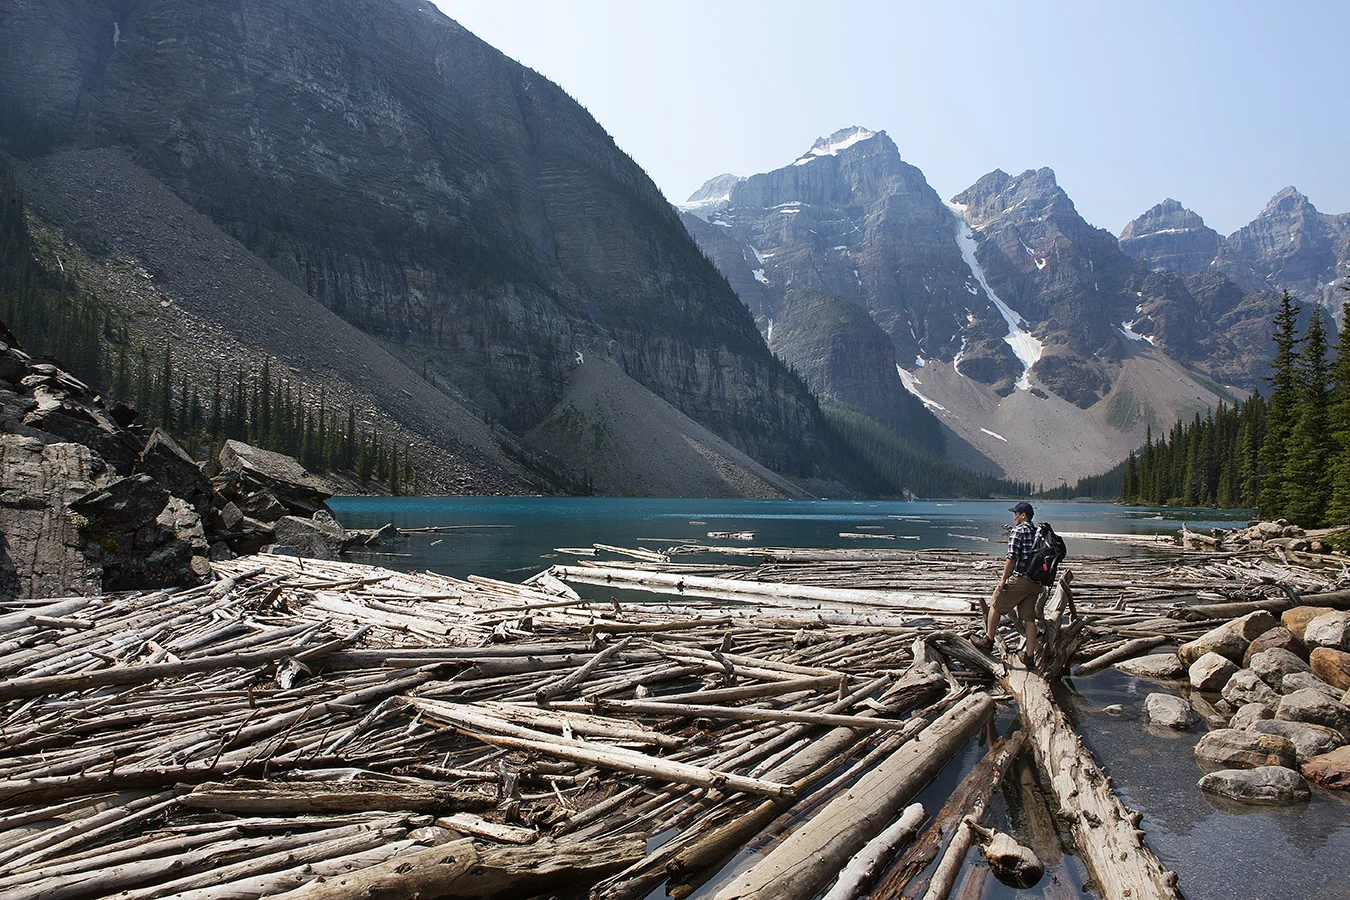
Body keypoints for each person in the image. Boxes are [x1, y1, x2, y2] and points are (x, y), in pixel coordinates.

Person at [976, 501, 1040, 666]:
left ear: (1023, 515)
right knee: (1029, 618)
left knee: (995, 604)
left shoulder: (1019, 530)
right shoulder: (1038, 531)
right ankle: (1029, 657)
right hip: (1036, 582)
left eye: (1016, 513)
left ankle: (988, 641)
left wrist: (1003, 580)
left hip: (1021, 578)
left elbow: (1011, 557)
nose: (1014, 516)